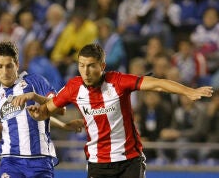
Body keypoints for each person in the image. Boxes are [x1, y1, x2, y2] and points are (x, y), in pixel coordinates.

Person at [12, 44, 213, 177]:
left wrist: (188, 91)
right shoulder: (74, 87)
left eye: (91, 66)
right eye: (81, 66)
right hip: (98, 163)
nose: (86, 71)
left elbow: (157, 84)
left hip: (129, 161)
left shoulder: (118, 82)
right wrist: (40, 113)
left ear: (102, 66)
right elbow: (49, 108)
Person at [0, 42, 83, 178]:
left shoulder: (35, 81)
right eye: (0, 66)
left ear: (17, 64)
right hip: (10, 161)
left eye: (9, 66)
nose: (5, 71)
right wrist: (63, 125)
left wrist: (34, 96)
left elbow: (61, 108)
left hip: (39, 159)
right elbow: (28, 118)